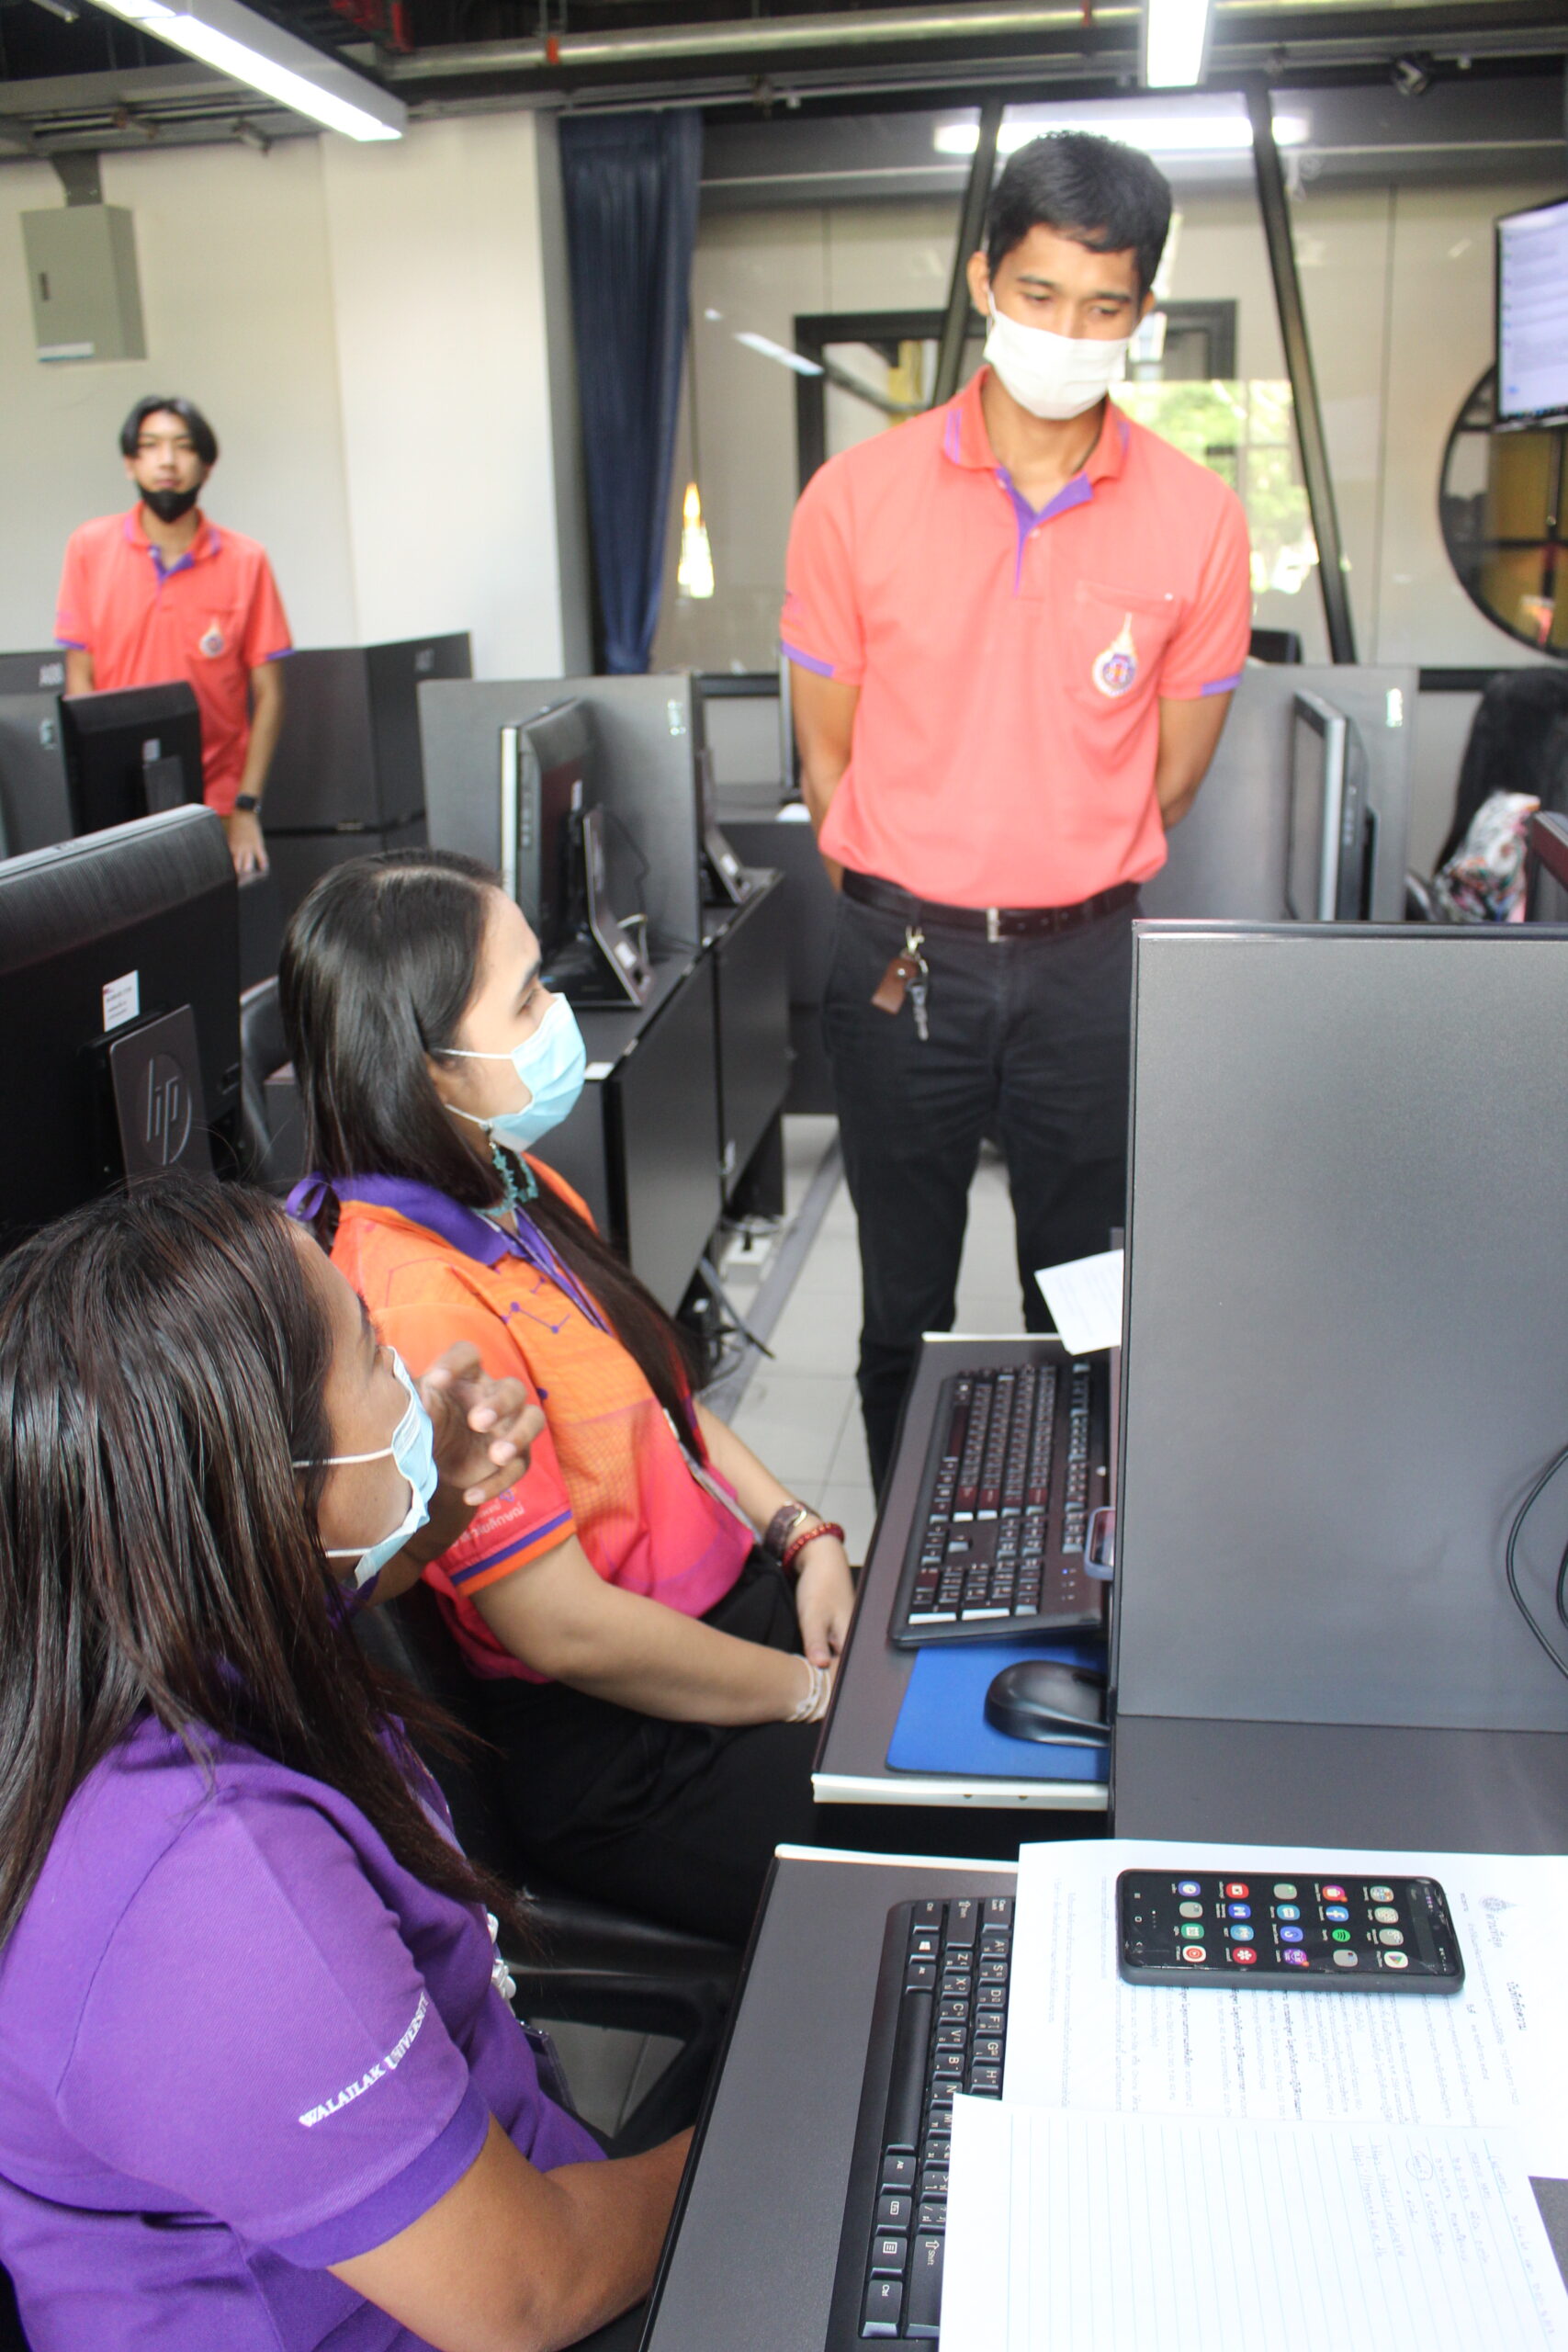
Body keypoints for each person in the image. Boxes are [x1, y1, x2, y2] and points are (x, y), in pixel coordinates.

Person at [0, 1175, 689, 2351]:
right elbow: (525, 2294)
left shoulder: (162, 1629)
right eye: (374, 1352)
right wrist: (783, 2132)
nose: (408, 1378)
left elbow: (349, 1573)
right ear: (264, 1481)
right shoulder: (208, 1892)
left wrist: (430, 1493)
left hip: (520, 2193)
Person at [783, 132, 1254, 1488]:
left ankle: (1085, 1550)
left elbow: (1171, 775)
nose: (1066, 332)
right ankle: (902, 1562)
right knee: (902, 1304)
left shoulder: (1198, 518)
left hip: (1087, 967)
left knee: (1088, 1299)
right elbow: (827, 760)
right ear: (984, 278)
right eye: (1039, 295)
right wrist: (928, 878)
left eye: (1104, 307)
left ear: (1142, 313)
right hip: (900, 957)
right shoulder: (855, 497)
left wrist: (1049, 864)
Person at [279, 848, 861, 1948]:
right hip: (627, 1744)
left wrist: (801, 1535)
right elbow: (563, 1629)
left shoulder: (510, 1186)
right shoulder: (416, 1299)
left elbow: (656, 1395)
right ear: (430, 1067)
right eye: (530, 996)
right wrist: (803, 1692)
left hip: (721, 1621)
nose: (560, 1015)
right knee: (949, 1819)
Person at [56, 395, 290, 876]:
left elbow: (270, 694)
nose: (167, 461)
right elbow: (80, 678)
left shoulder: (246, 560)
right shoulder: (88, 548)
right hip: (117, 805)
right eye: (151, 446)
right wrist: (89, 793)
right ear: (130, 463)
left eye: (183, 446)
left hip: (215, 803)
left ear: (206, 466)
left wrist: (246, 806)